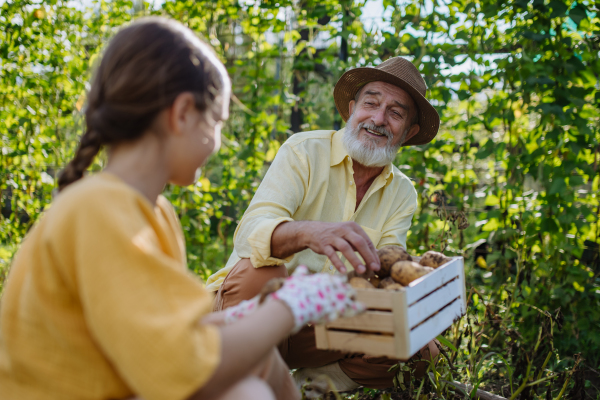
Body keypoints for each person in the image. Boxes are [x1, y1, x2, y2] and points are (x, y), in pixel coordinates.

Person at [0, 17, 364, 400]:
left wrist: (247, 314)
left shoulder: (153, 213)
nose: (219, 141)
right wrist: (290, 307)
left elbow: (167, 330)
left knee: (259, 362)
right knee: (246, 393)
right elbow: (185, 366)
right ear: (183, 112)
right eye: (218, 122)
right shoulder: (100, 210)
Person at [206, 56, 442, 390]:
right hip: (253, 311)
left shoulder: (403, 192)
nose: (378, 118)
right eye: (371, 103)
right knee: (262, 271)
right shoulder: (304, 151)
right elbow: (250, 233)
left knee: (420, 350)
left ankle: (308, 389)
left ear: (409, 132)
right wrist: (309, 232)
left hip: (324, 329)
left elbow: (390, 263)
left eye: (395, 112)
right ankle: (233, 383)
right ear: (351, 109)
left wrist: (421, 280)